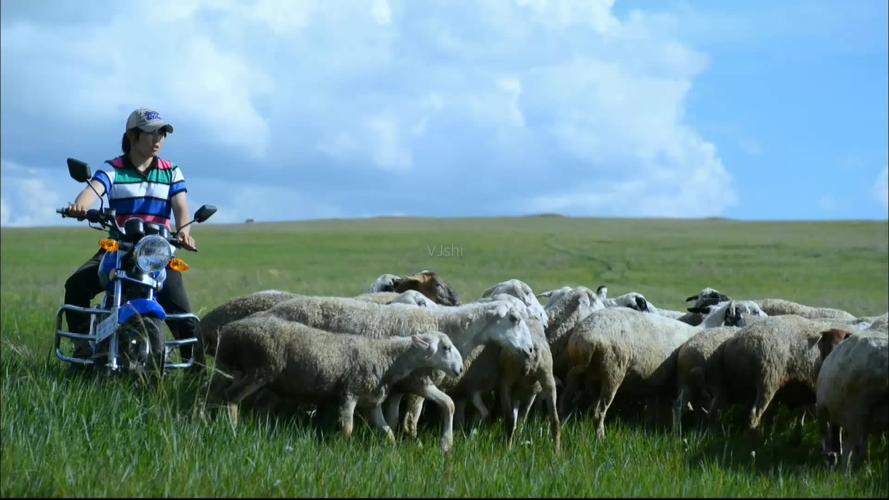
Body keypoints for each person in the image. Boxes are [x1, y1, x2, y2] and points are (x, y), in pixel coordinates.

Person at [63, 107, 204, 372]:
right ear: (132, 135)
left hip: (157, 253)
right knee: (76, 286)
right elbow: (93, 190)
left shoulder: (171, 172)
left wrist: (184, 230)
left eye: (162, 133)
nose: (158, 139)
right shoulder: (113, 168)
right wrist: (79, 206)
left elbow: (181, 208)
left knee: (185, 316)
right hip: (120, 248)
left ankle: (199, 375)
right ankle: (82, 347)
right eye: (151, 133)